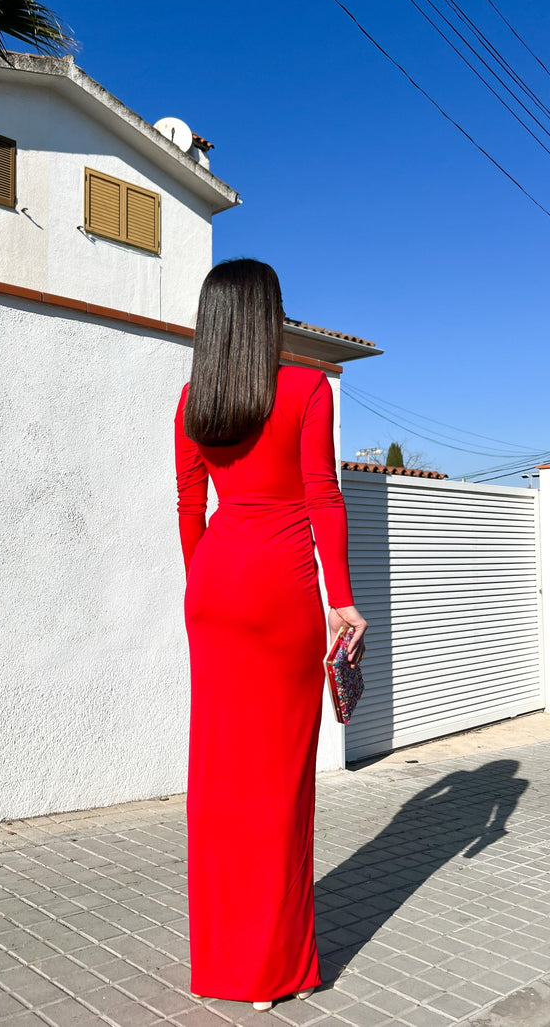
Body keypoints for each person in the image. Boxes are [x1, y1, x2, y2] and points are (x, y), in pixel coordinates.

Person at [174, 258, 367, 1013]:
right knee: (278, 785)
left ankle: (216, 961)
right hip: (281, 588)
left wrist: (202, 584)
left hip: (215, 588)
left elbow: (189, 504)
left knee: (220, 781)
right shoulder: (306, 387)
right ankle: (269, 971)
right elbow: (322, 494)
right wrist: (342, 600)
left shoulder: (196, 399)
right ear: (269, 317)